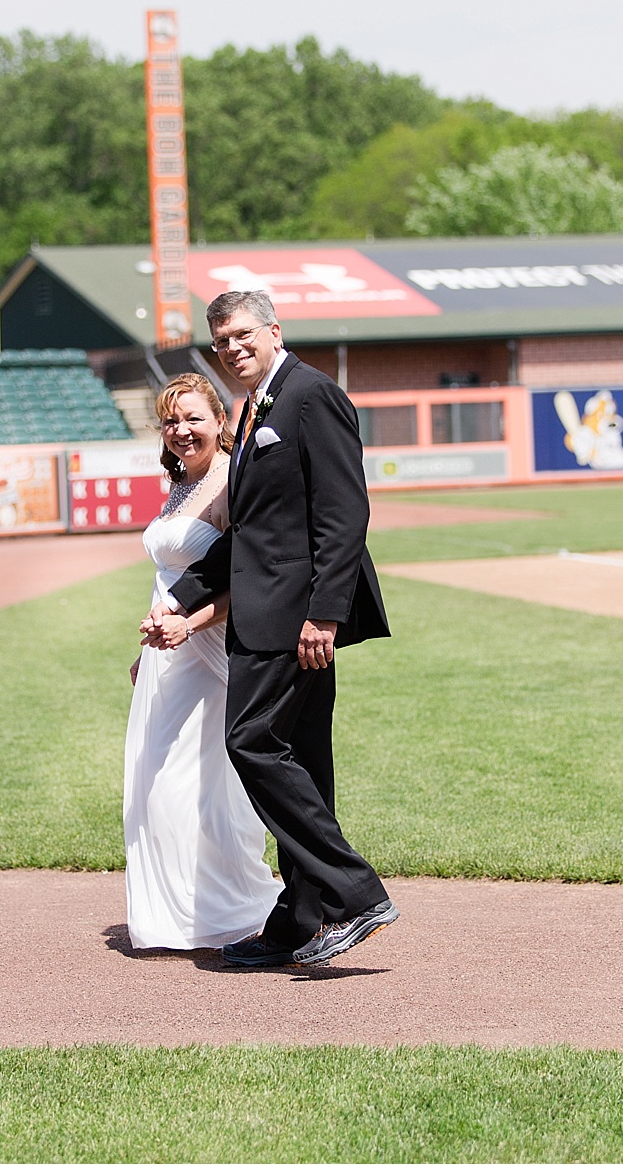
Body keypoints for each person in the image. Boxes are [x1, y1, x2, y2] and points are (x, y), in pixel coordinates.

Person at [142, 290, 397, 968]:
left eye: (241, 333)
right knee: (304, 762)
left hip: (295, 616)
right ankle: (298, 918)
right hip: (268, 612)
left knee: (250, 739)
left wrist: (326, 612)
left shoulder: (311, 394)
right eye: (221, 338)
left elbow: (344, 514)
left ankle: (355, 892)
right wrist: (180, 601)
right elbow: (249, 536)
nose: (231, 347)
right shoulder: (257, 408)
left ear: (273, 330)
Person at [123, 372, 281, 951]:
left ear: (221, 421)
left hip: (210, 648)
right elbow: (170, 578)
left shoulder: (231, 483)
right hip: (167, 653)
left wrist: (186, 625)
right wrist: (148, 649)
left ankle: (231, 909)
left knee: (204, 789)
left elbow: (245, 577)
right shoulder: (181, 486)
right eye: (171, 421)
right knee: (154, 785)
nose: (182, 430)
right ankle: (181, 914)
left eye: (193, 418)